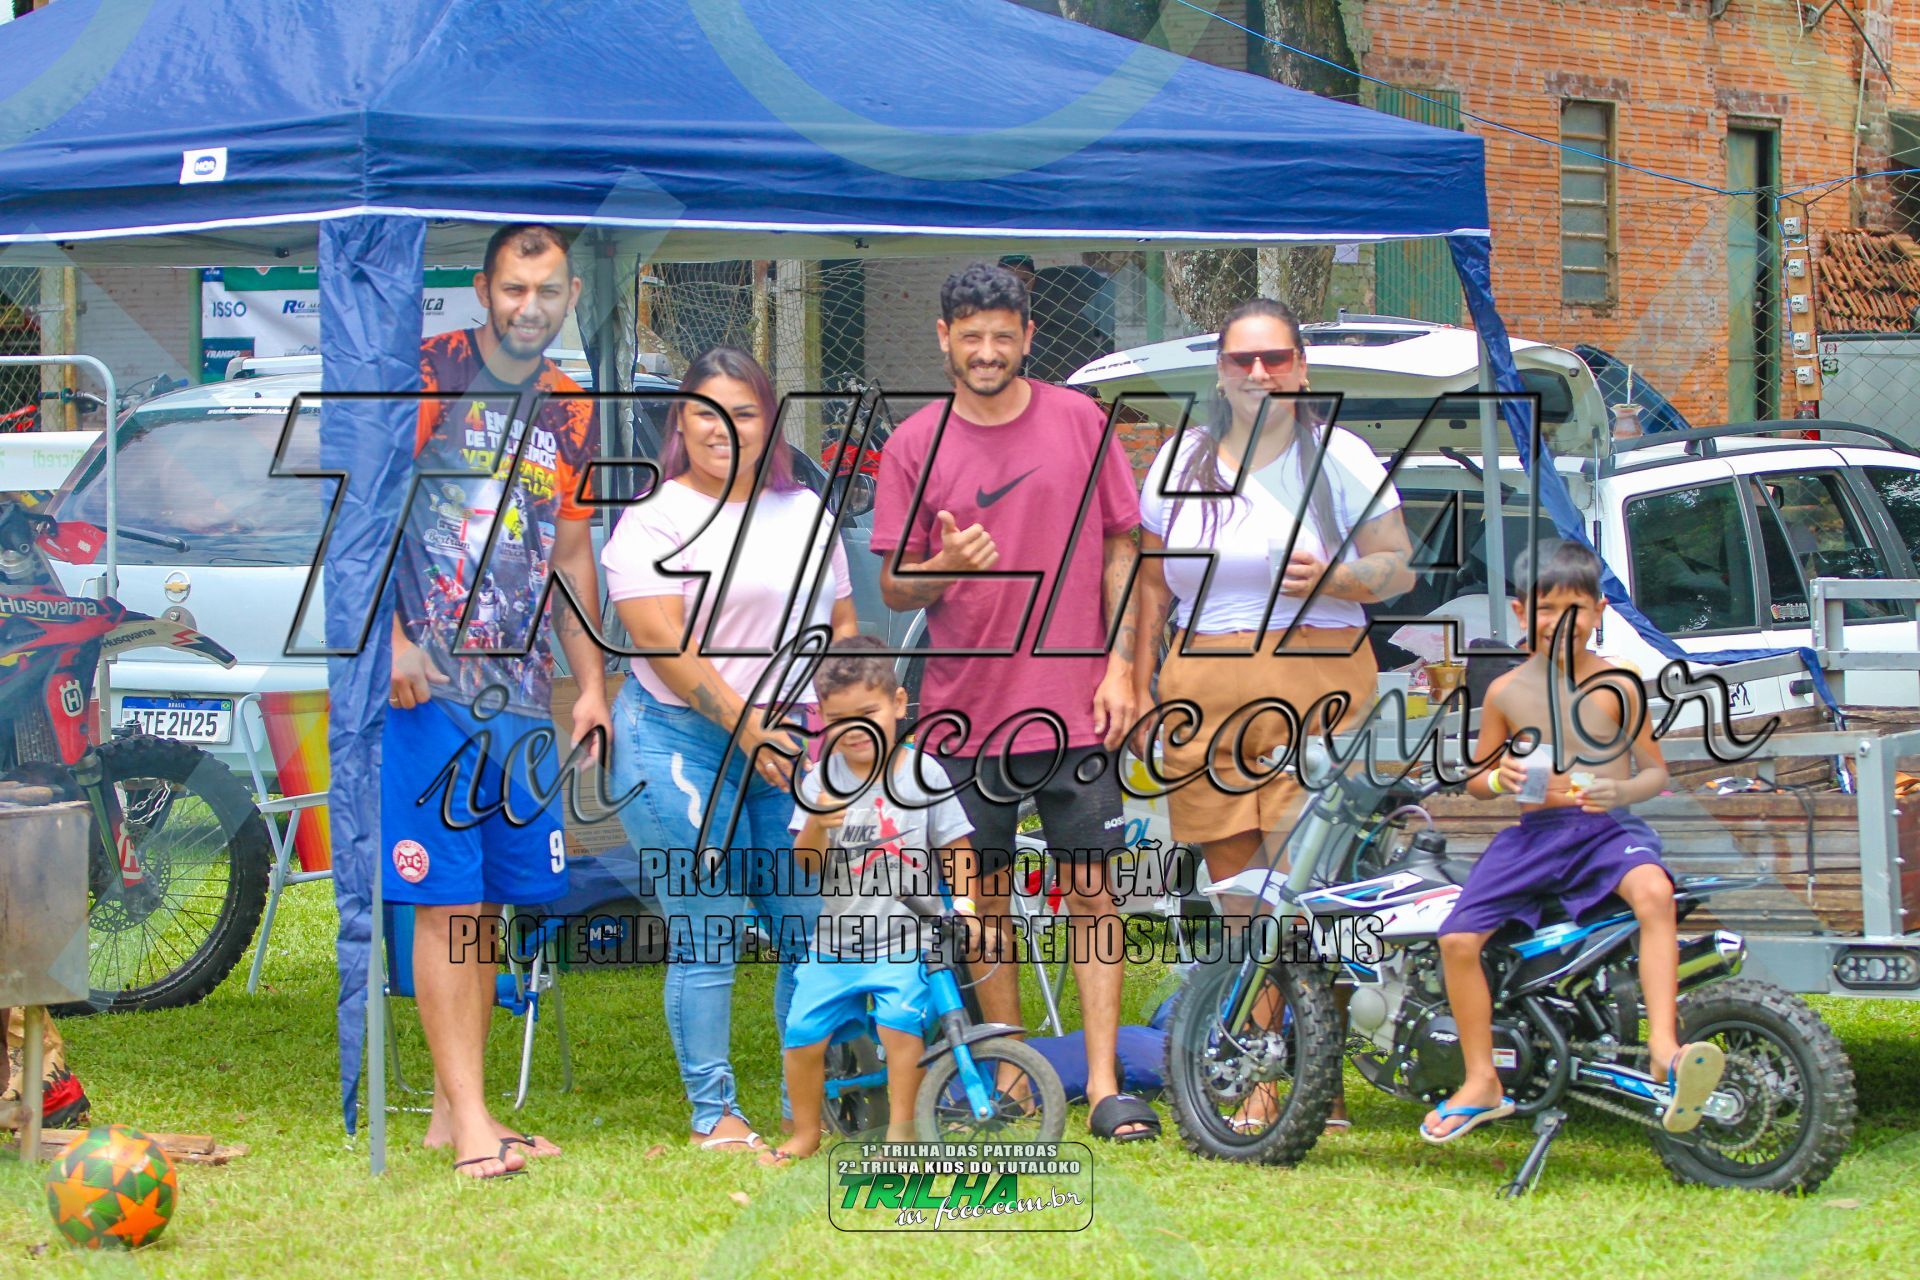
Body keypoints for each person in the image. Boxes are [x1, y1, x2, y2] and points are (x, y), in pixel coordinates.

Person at [871, 261, 1154, 1142]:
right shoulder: (912, 444)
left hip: (1077, 706)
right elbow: (895, 584)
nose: (987, 351)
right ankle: (1014, 1076)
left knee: (1092, 897)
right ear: (944, 340)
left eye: (1003, 335)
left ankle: (1103, 1085)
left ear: (1029, 338)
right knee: (984, 903)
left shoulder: (1081, 422)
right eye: (971, 336)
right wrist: (945, 566)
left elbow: (1124, 545)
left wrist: (1121, 668)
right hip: (966, 715)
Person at [1129, 297, 1414, 1134]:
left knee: (1309, 888)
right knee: (1239, 894)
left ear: (1301, 369)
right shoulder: (1178, 461)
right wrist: (1138, 683)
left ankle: (1304, 1077)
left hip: (1316, 682)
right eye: (1242, 360)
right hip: (1205, 690)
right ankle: (1268, 1067)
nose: (1260, 373)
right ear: (1220, 372)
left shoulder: (1342, 457)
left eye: (1276, 359)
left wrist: (1337, 577)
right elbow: (1150, 586)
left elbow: (1398, 567)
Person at [385, 222, 607, 1180]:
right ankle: (475, 1121)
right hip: (429, 689)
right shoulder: (428, 373)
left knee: (483, 906)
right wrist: (392, 639)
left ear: (570, 298)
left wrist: (590, 682)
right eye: (515, 288)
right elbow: (364, 513)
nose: (530, 306)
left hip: (517, 699)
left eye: (548, 291)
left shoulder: (570, 407)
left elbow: (570, 555)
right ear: (483, 290)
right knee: (446, 904)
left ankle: (453, 1111)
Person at [601, 345, 858, 1155]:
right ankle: (714, 1112)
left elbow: (842, 629)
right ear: (681, 421)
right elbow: (663, 644)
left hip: (788, 745)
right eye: (706, 412)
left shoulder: (807, 512)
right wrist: (747, 726)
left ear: (769, 422)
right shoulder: (653, 520)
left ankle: (800, 1105)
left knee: (809, 928)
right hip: (677, 740)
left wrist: (843, 732)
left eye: (744, 412)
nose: (724, 428)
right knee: (708, 927)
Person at [1422, 539, 1725, 1143]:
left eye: (1575, 609)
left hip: (1606, 830)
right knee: (1456, 939)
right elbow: (1477, 781)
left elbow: (1655, 773)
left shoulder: (1620, 683)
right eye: (1545, 609)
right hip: (1536, 836)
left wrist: (1621, 790)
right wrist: (1499, 778)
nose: (1560, 622)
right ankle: (1481, 1079)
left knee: (1654, 894)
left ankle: (1664, 1046)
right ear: (1519, 612)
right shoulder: (1505, 691)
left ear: (1599, 612)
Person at [760, 636, 978, 1166]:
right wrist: (816, 822)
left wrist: (966, 908)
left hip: (906, 941)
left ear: (899, 704)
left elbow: (956, 847)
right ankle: (805, 1133)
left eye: (868, 713)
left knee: (902, 1030)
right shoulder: (821, 780)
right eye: (839, 719)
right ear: (822, 721)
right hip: (835, 945)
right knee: (802, 1035)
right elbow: (807, 866)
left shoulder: (924, 773)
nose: (854, 730)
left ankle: (904, 1134)